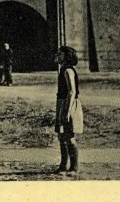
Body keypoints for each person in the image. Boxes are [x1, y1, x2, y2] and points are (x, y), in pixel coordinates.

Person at [54, 45, 82, 174]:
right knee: (61, 135)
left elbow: (72, 91)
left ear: (66, 56)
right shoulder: (63, 70)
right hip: (61, 103)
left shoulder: (68, 71)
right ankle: (63, 165)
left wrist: (67, 111)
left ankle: (74, 168)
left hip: (68, 104)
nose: (57, 56)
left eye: (60, 54)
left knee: (69, 136)